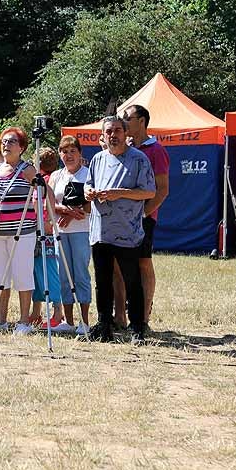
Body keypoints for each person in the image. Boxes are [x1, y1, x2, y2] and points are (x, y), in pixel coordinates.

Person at [84, 116, 155, 344]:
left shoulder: (139, 159)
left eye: (117, 130)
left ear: (125, 134)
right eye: (108, 131)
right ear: (102, 136)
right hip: (100, 232)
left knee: (131, 281)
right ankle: (104, 324)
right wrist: (89, 192)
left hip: (128, 233)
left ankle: (137, 328)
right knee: (102, 282)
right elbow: (88, 184)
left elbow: (149, 192)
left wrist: (121, 192)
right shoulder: (97, 159)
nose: (113, 135)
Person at [0, 127, 41, 335]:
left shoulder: (29, 170)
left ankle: (24, 321)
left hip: (22, 232)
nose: (6, 145)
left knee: (23, 274)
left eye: (11, 141)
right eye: (4, 141)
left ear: (22, 147)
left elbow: (43, 194)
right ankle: (1, 319)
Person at [123, 104, 169, 323]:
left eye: (127, 118)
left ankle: (143, 316)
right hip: (121, 218)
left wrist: (145, 213)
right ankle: (121, 314)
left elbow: (163, 189)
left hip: (144, 219)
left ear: (141, 121)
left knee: (143, 262)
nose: (123, 122)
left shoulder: (156, 150)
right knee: (120, 264)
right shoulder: (124, 148)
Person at [49, 135, 92, 336]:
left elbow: (92, 203)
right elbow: (49, 203)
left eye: (72, 151)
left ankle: (84, 321)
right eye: (64, 152)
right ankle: (68, 320)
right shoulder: (56, 176)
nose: (68, 155)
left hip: (82, 231)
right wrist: (66, 210)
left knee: (80, 274)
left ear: (80, 153)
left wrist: (76, 212)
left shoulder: (88, 174)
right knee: (63, 276)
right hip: (61, 232)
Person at [27, 147, 63, 328]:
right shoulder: (37, 181)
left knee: (48, 271)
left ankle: (57, 310)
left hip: (45, 232)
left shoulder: (46, 181)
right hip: (33, 230)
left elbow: (49, 205)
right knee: (35, 271)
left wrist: (47, 222)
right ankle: (36, 311)